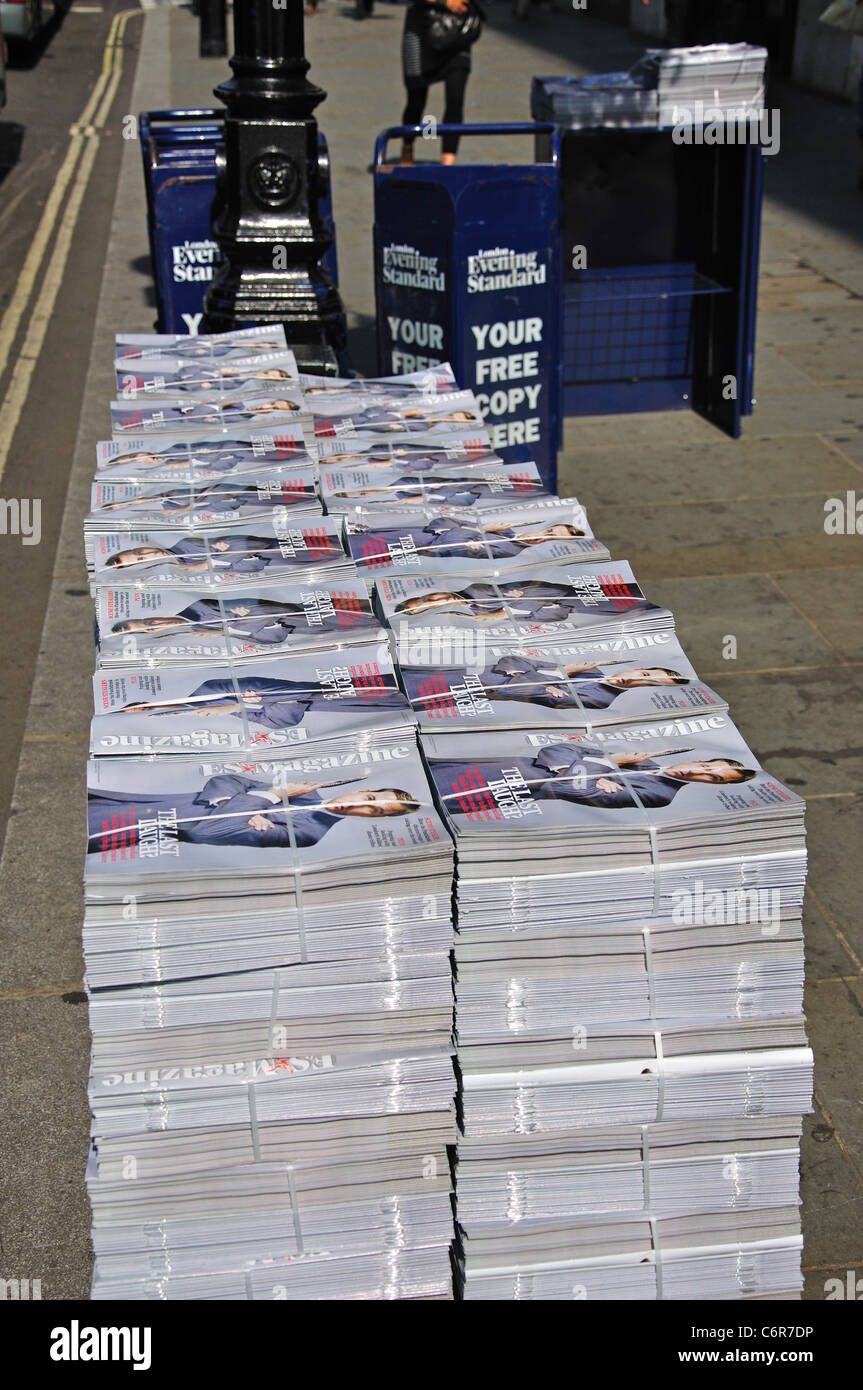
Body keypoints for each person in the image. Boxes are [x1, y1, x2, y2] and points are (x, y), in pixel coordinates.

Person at [88, 776, 421, 851]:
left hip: (138, 828)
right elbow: (227, 779)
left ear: (372, 818)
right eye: (369, 795)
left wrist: (272, 795)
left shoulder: (307, 834)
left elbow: (207, 833)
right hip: (142, 798)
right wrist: (231, 802)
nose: (361, 803)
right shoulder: (307, 789)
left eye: (373, 809)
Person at [428, 742, 757, 815]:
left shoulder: (658, 793)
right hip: (503, 761)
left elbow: (577, 790)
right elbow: (555, 750)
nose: (699, 772)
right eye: (708, 766)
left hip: (515, 787)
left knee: (433, 798)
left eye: (711, 779)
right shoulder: (642, 759)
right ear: (702, 758)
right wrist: (593, 765)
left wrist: (602, 762)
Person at [119, 673, 406, 729]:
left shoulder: (208, 689)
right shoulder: (202, 718)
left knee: (399, 689)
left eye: (147, 708)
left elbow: (276, 690)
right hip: (332, 712)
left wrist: (234, 706)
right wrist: (240, 706)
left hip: (328, 690)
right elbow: (280, 721)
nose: (154, 713)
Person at [405, 656, 689, 711]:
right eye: (646, 674)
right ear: (640, 667)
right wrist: (556, 673)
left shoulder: (601, 699)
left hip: (478, 695)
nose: (638, 679)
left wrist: (559, 672)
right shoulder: (590, 668)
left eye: (648, 684)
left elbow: (533, 693)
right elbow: (512, 660)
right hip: (465, 670)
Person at [400, 0, 485, 166]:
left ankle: (448, 165)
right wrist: (445, 2)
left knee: (455, 99)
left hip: (457, 29)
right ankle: (407, 146)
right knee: (416, 102)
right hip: (422, 31)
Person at [109, 594, 377, 644]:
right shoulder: (195, 637)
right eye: (148, 630)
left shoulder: (200, 607)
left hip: (305, 610)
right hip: (302, 633)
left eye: (148, 621)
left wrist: (242, 626)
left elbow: (262, 607)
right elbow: (266, 638)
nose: (156, 625)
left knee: (368, 612)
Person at [102, 531, 340, 576]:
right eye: (142, 560)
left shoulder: (185, 543)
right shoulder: (180, 576)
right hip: (275, 566)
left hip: (274, 547)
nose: (150, 554)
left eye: (139, 551)